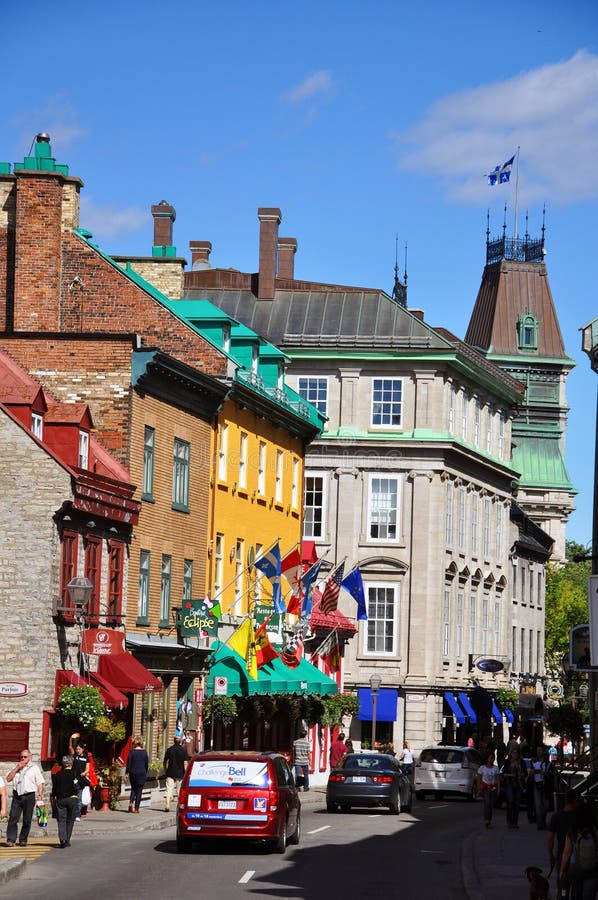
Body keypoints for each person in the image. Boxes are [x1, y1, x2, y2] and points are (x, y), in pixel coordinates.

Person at [5, 748, 45, 847]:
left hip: (29, 795)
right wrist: (16, 768)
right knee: (13, 818)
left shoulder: (34, 768)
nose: (22, 758)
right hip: (17, 795)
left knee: (27, 819)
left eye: (25, 757)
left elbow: (40, 783)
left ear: (29, 758)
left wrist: (40, 795)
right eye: (21, 757)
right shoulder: (17, 767)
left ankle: (23, 839)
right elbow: (8, 779)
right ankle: (11, 839)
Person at [559, 802, 598, 900]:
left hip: (575, 870)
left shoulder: (573, 832)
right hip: (592, 869)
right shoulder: (595, 832)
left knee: (576, 896)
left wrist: (562, 870)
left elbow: (566, 853)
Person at [548, 791, 578, 899]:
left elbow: (550, 839)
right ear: (574, 801)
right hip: (577, 857)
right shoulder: (578, 817)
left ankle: (563, 896)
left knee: (563, 887)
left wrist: (551, 854)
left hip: (561, 856)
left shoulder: (556, 817)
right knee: (576, 887)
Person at [51, 755, 79, 848]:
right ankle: (67, 839)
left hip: (61, 799)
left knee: (61, 820)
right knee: (70, 820)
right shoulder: (74, 774)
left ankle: (62, 839)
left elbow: (54, 789)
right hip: (72, 798)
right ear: (71, 763)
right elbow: (79, 786)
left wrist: (53, 798)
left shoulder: (58, 775)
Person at [500, 746, 526, 829]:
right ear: (511, 754)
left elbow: (525, 773)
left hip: (518, 784)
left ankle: (515, 822)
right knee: (510, 801)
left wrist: (521, 775)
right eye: (513, 753)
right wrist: (507, 775)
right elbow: (503, 772)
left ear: (518, 754)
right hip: (509, 784)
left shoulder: (521, 762)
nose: (515, 754)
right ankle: (509, 821)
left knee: (517, 803)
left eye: (516, 753)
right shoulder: (508, 762)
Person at [163, 735, 188, 812]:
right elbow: (185, 763)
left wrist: (165, 770)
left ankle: (167, 805)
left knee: (169, 789)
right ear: (180, 742)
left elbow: (165, 762)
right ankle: (180, 807)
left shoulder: (169, 750)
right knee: (179, 791)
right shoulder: (183, 751)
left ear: (174, 741)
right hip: (180, 774)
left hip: (170, 772)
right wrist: (186, 773)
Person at [69, 733, 90, 820]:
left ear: (82, 749)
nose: (77, 751)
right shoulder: (75, 756)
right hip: (73, 778)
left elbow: (87, 769)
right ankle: (71, 813)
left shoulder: (86, 758)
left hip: (80, 780)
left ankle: (77, 815)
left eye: (79, 749)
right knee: (72, 797)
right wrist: (71, 738)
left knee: (79, 797)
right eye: (77, 749)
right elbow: (70, 747)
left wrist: (84, 773)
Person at [477, 750, 500, 829]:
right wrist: (479, 788)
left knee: (490, 805)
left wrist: (498, 789)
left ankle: (489, 820)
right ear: (487, 759)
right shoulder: (482, 768)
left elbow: (497, 780)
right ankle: (486, 820)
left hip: (492, 788)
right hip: (485, 788)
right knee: (487, 802)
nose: (491, 759)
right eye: (490, 758)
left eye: (493, 758)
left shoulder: (496, 768)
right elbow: (479, 778)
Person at [125, 736, 149, 813]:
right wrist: (145, 772)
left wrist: (127, 773)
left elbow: (129, 764)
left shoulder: (132, 752)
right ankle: (136, 809)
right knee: (139, 790)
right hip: (142, 773)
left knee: (133, 789)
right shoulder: (144, 752)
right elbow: (146, 764)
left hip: (133, 773)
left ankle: (131, 802)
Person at [528, 745, 549, 830]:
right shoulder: (534, 761)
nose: (538, 752)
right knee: (538, 805)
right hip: (536, 785)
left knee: (545, 806)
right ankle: (539, 824)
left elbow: (550, 773)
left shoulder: (547, 762)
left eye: (540, 750)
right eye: (537, 750)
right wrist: (533, 772)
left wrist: (545, 773)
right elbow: (530, 772)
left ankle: (542, 820)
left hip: (545, 786)